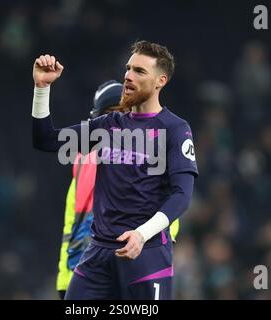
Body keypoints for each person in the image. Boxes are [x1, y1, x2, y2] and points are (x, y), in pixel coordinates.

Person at [32, 40, 197, 300]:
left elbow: (182, 195)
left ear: (160, 81)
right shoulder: (108, 126)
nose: (129, 76)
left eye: (140, 71)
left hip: (146, 254)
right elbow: (46, 140)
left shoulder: (175, 129)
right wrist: (42, 89)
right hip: (97, 255)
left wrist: (142, 235)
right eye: (128, 69)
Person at [56, 80, 180, 299]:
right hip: (91, 272)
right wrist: (66, 280)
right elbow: (71, 226)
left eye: (124, 111)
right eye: (110, 112)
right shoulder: (83, 162)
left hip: (134, 265)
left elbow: (170, 217)